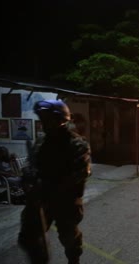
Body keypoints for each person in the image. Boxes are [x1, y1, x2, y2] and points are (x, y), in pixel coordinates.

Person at [18, 100, 91, 264]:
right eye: (42, 119)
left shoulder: (76, 143)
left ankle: (74, 260)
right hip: (41, 199)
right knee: (29, 236)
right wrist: (27, 179)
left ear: (61, 120)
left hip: (65, 200)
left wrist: (49, 186)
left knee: (69, 237)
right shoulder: (41, 141)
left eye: (48, 119)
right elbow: (32, 165)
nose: (45, 123)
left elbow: (81, 173)